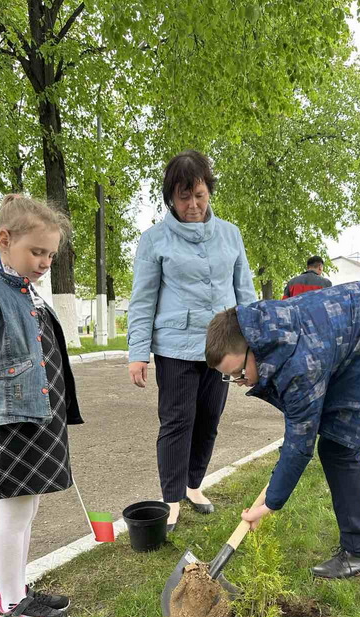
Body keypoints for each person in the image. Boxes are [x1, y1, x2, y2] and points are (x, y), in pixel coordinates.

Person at [205, 282, 360, 580]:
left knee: (341, 444)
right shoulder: (269, 324)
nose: (239, 381)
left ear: (253, 347)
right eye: (229, 378)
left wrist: (270, 504)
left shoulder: (298, 363)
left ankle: (359, 552)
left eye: (238, 373)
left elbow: (300, 442)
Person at [0, 194, 82, 617]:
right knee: (11, 516)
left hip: (37, 417)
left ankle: (16, 588)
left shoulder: (26, 290)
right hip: (9, 424)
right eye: (37, 252)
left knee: (25, 512)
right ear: (3, 240)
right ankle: (10, 610)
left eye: (50, 253)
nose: (45, 261)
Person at [127, 150, 257, 531]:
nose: (193, 205)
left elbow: (245, 292)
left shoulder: (231, 234)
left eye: (199, 195)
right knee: (177, 421)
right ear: (171, 198)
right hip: (175, 348)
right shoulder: (153, 240)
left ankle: (194, 485)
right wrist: (138, 354)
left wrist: (255, 342)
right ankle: (171, 499)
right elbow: (143, 300)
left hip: (225, 350)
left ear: (209, 192)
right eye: (184, 197)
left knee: (209, 420)